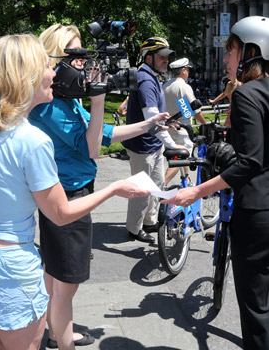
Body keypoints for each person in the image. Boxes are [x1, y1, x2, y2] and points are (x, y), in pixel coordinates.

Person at [0, 35, 149, 350]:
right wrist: (115, 188)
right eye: (48, 66)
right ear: (27, 76)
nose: (55, 75)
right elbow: (60, 213)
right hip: (9, 267)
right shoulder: (32, 141)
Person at [162, 16, 269, 349]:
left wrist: (197, 190)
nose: (226, 59)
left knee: (255, 311)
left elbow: (249, 162)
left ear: (251, 51)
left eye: (231, 51)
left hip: (259, 218)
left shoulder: (248, 95)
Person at [29, 24, 169, 350]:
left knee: (55, 276)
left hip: (66, 194)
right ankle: (62, 338)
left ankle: (56, 329)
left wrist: (147, 124)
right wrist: (98, 99)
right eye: (75, 57)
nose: (83, 64)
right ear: (54, 59)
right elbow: (91, 147)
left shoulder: (62, 98)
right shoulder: (50, 105)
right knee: (66, 284)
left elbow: (102, 133)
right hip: (68, 197)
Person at [122, 36, 184, 244]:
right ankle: (134, 228)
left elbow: (157, 118)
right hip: (142, 146)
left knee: (157, 185)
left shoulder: (152, 76)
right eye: (161, 57)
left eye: (167, 57)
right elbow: (152, 121)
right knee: (141, 191)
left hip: (152, 144)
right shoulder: (146, 80)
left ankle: (150, 221)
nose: (166, 60)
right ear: (148, 58)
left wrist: (169, 126)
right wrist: (173, 145)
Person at [162, 57, 208, 185]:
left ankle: (186, 178)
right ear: (183, 70)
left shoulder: (166, 85)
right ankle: (162, 186)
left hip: (169, 129)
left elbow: (185, 109)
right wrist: (205, 124)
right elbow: (196, 111)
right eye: (187, 69)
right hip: (183, 130)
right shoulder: (183, 87)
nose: (188, 72)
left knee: (182, 156)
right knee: (180, 159)